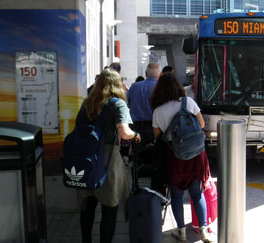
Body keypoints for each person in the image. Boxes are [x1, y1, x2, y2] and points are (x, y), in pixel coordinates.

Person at [75, 68, 140, 243]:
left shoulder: (87, 103)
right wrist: (136, 135)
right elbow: (125, 132)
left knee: (87, 206)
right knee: (109, 207)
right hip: (107, 159)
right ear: (117, 84)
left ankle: (86, 240)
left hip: (86, 159)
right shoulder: (117, 103)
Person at [151, 72, 212, 243]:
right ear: (177, 87)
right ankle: (203, 230)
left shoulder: (158, 112)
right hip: (196, 156)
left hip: (175, 158)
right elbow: (201, 125)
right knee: (197, 194)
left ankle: (182, 232)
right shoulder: (189, 103)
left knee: (177, 196)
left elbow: (158, 137)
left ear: (160, 91)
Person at [127, 63, 161, 146]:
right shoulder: (161, 88)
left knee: (137, 154)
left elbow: (126, 104)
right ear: (160, 74)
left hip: (136, 128)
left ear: (146, 74)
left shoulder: (134, 87)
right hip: (155, 128)